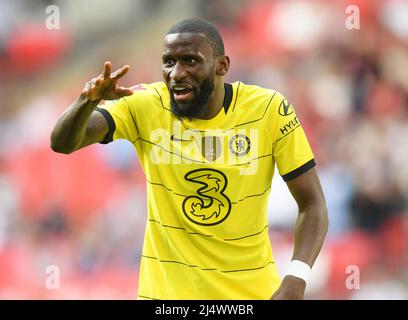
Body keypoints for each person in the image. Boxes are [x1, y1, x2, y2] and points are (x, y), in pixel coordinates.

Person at [50, 18, 328, 300]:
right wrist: (86, 101)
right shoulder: (144, 104)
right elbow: (62, 143)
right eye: (168, 62)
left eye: (190, 61)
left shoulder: (268, 110)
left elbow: (313, 203)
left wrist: (297, 276)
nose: (176, 73)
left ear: (222, 65)